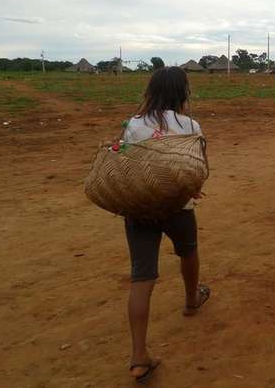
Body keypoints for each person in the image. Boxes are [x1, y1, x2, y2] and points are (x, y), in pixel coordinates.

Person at [122, 66, 210, 384]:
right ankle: (190, 300)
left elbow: (125, 162)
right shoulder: (190, 125)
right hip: (177, 207)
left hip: (139, 209)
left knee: (142, 276)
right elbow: (197, 167)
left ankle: (138, 357)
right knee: (188, 252)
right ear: (182, 92)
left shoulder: (133, 125)